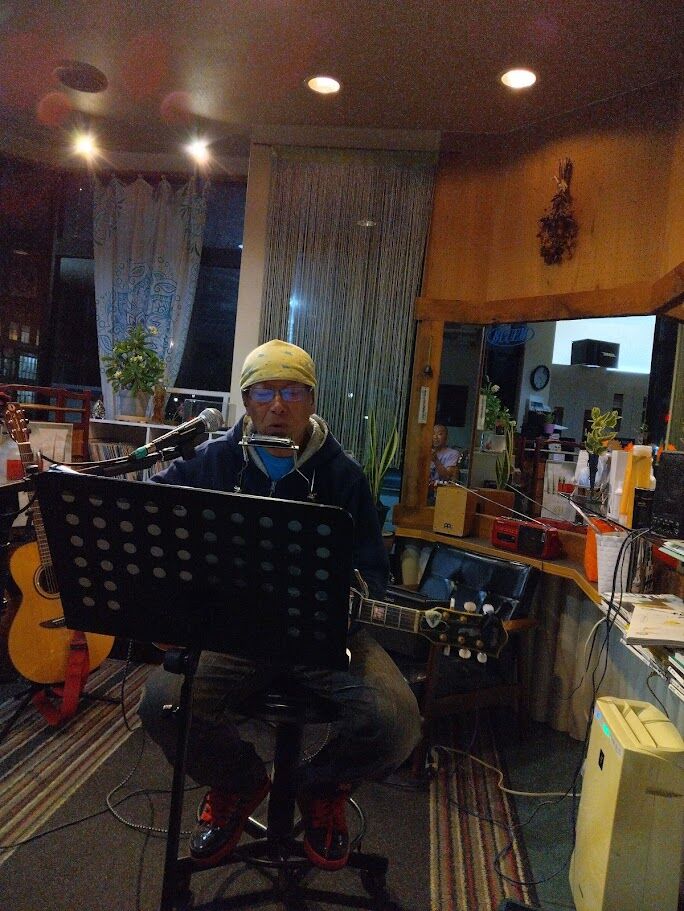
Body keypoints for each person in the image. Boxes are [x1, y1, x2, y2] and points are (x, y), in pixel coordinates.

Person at [138, 339, 422, 872]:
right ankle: (239, 783)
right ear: (246, 400)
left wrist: (352, 598)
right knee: (163, 704)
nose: (277, 405)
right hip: (232, 634)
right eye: (264, 392)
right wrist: (170, 605)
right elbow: (153, 522)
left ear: (311, 400)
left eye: (291, 392)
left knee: (395, 721)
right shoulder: (213, 460)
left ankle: (319, 787)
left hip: (323, 636)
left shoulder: (343, 475)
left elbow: (375, 571)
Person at [428, 424, 461, 500]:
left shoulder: (453, 453)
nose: (435, 437)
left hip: (443, 495)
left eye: (439, 434)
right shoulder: (426, 451)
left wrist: (435, 460)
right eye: (433, 434)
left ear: (446, 437)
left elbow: (447, 477)